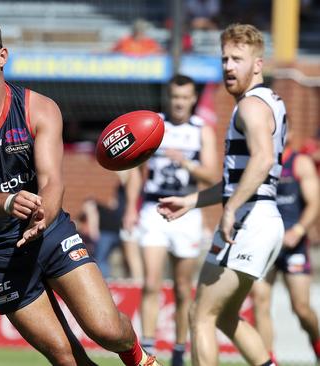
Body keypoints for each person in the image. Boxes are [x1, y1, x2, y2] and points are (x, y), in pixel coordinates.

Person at [0, 16, 161, 366]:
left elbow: (53, 180)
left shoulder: (40, 107)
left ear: (2, 56)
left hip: (49, 230)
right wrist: (8, 203)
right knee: (65, 357)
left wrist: (43, 216)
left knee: (107, 329)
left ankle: (139, 358)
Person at [157, 23, 286, 366]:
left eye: (238, 59)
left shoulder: (250, 107)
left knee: (201, 314)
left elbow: (263, 159)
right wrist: (191, 201)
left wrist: (231, 210)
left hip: (250, 218)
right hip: (263, 216)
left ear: (257, 64)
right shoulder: (268, 102)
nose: (228, 66)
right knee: (226, 316)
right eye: (224, 58)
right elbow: (243, 176)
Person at [128, 74, 218, 366]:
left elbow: (212, 175)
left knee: (182, 288)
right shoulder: (154, 126)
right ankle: (149, 351)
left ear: (193, 99)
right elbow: (136, 171)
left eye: (185, 97)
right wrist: (131, 206)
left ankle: (180, 349)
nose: (179, 103)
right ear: (170, 97)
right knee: (151, 283)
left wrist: (185, 162)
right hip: (153, 210)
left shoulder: (201, 131)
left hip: (186, 212)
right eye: (175, 97)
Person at [250, 137, 320, 364]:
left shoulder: (300, 163)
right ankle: (269, 360)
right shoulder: (258, 162)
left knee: (301, 308)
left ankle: (317, 343)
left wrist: (299, 230)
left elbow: (315, 202)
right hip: (264, 244)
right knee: (260, 300)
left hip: (293, 246)